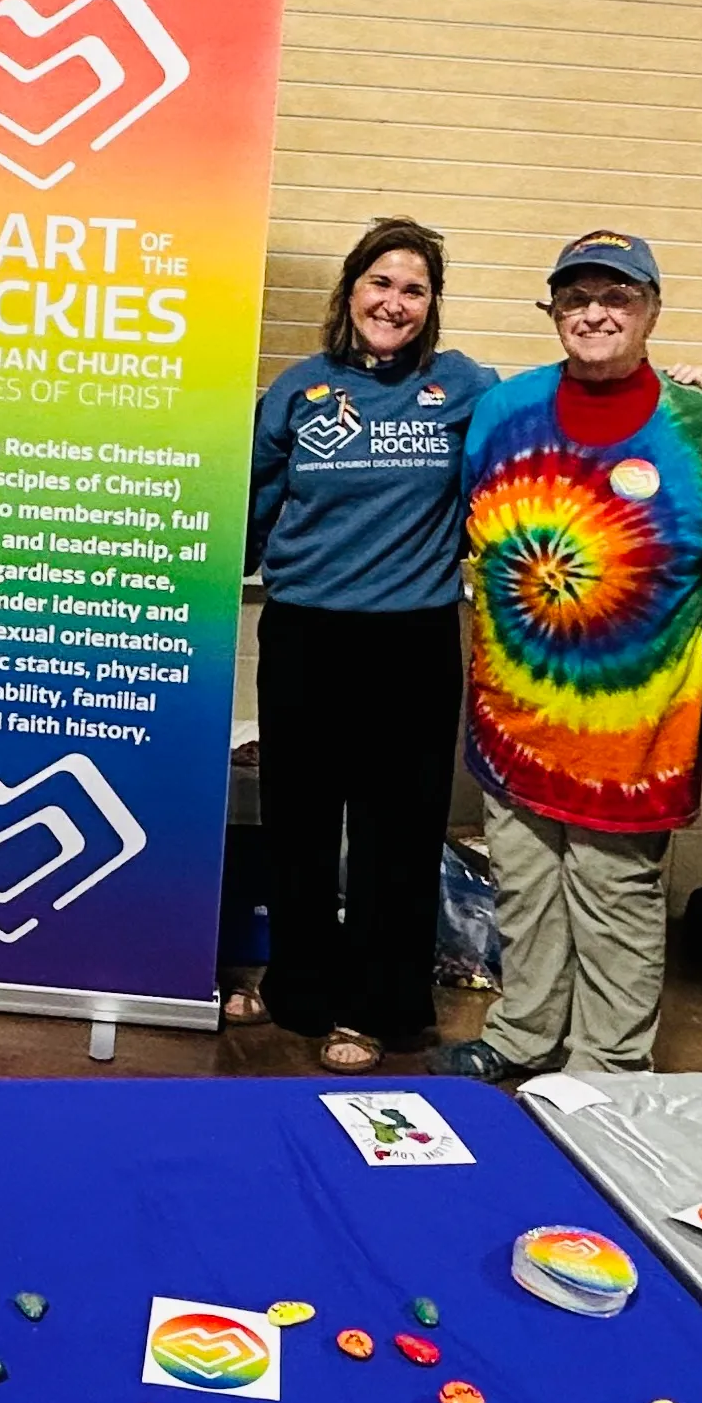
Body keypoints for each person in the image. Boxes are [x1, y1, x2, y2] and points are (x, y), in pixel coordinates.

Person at [431, 229, 702, 1081]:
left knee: (615, 902)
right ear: (553, 310)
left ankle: (608, 1069)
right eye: (575, 297)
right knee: (525, 888)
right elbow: (469, 523)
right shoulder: (504, 410)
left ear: (651, 312)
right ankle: (521, 1035)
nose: (594, 313)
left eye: (617, 297)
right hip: (514, 718)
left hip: (630, 736)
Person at [246, 218, 497, 1071]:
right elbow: (250, 507)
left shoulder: (464, 387)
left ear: (431, 305)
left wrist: (675, 389)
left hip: (410, 639)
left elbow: (556, 417)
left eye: (413, 289)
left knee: (397, 832)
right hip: (304, 632)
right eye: (380, 282)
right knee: (299, 822)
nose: (394, 302)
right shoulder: (296, 389)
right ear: (350, 290)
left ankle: (378, 1006)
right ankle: (296, 986)